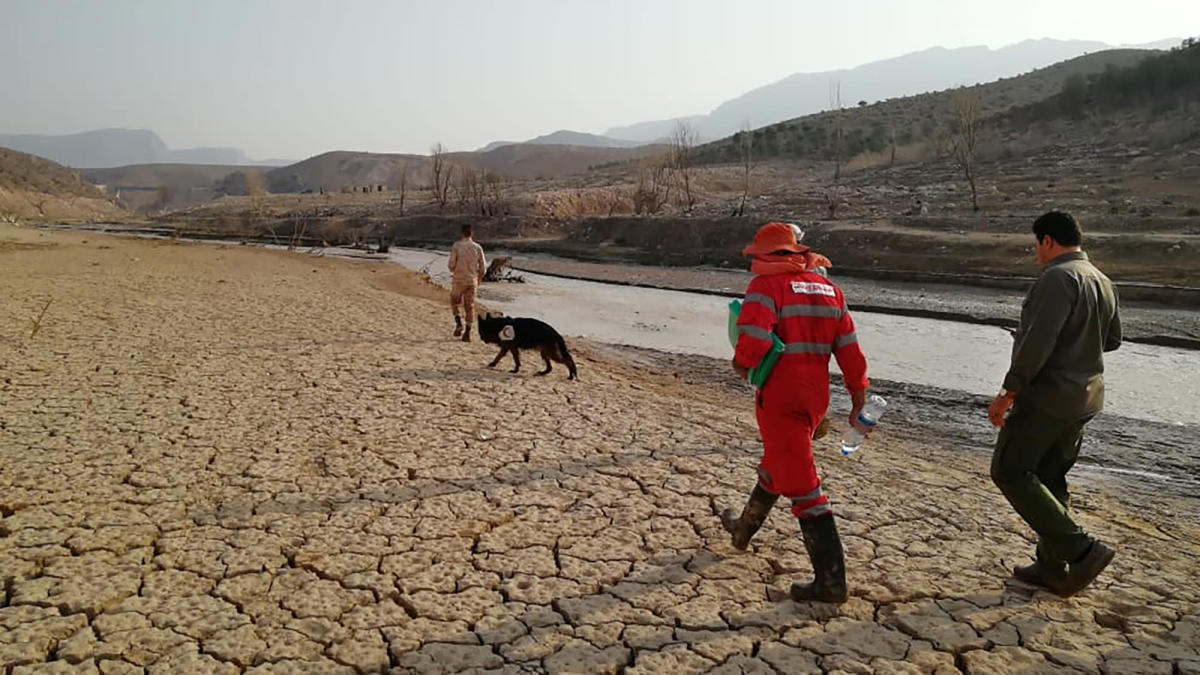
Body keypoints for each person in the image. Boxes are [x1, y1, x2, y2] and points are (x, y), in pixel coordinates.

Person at [722, 222, 870, 604]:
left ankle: (830, 583)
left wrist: (742, 365)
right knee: (778, 462)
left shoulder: (766, 287)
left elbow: (754, 337)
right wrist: (858, 396)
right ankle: (742, 530)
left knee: (805, 488)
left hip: (781, 394)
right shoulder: (831, 290)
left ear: (769, 255)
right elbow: (850, 350)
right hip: (816, 396)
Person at [988, 211, 1121, 597]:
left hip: (1048, 397)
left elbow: (1038, 344)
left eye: (1036, 245)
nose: (1036, 253)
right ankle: (1051, 565)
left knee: (1009, 470)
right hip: (1085, 397)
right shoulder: (1101, 279)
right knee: (1049, 477)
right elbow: (1111, 340)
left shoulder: (1057, 279)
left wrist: (1007, 392)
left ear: (1047, 241)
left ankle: (1081, 549)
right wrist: (1078, 343)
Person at [448, 224, 486, 342]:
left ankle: (458, 322)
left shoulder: (457, 246)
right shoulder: (478, 247)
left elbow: (451, 265)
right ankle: (468, 332)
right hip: (472, 280)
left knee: (455, 301)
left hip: (459, 279)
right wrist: (478, 278)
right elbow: (483, 268)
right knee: (469, 306)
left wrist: (456, 270)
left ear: (462, 233)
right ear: (471, 234)